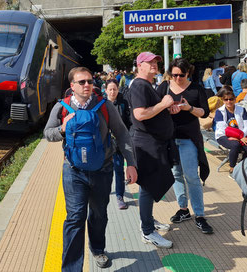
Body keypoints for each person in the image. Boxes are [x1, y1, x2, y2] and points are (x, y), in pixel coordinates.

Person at [43, 66, 138, 270]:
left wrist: (131, 163)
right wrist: (62, 128)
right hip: (73, 171)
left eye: (90, 81)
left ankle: (97, 249)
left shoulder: (104, 106)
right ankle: (71, 268)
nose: (87, 85)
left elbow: (122, 134)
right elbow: (47, 134)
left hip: (102, 170)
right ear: (72, 86)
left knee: (98, 214)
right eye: (82, 82)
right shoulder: (61, 107)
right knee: (75, 218)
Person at [156, 58, 213, 234]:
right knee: (176, 175)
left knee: (191, 177)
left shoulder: (196, 88)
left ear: (188, 73)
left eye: (181, 75)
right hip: (170, 139)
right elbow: (155, 109)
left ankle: (200, 214)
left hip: (189, 138)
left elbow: (204, 113)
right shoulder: (164, 87)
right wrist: (165, 109)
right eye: (174, 75)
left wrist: (188, 108)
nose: (177, 78)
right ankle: (183, 209)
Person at [128, 52, 175, 249]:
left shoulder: (147, 85)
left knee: (149, 186)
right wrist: (163, 104)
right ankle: (147, 231)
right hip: (147, 145)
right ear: (140, 65)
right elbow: (140, 114)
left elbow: (150, 111)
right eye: (150, 62)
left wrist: (166, 109)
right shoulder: (139, 85)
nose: (155, 64)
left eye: (156, 61)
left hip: (152, 144)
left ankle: (147, 220)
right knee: (148, 187)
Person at [104, 79, 132, 210]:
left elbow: (128, 121)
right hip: (105, 143)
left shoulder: (123, 103)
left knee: (119, 169)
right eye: (110, 89)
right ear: (106, 91)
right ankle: (104, 191)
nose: (112, 92)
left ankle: (119, 196)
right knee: (105, 169)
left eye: (115, 89)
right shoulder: (101, 105)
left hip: (119, 141)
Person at [213, 87, 247, 174]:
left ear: (235, 99)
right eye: (226, 99)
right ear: (223, 100)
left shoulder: (241, 110)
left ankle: (242, 166)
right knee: (235, 145)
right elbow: (223, 129)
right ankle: (232, 168)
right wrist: (239, 138)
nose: (228, 101)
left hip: (241, 135)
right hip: (223, 136)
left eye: (231, 99)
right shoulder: (220, 111)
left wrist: (241, 137)